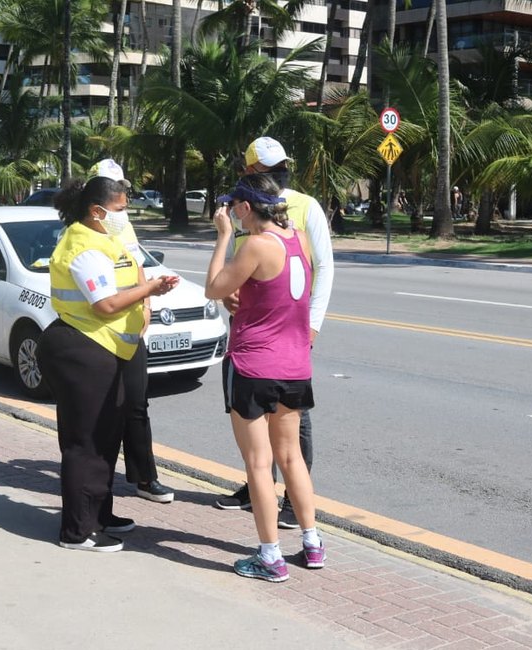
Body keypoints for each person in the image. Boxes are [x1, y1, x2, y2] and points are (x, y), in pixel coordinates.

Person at [37, 175, 179, 552]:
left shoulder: (105, 238)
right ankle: (78, 531)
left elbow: (128, 276)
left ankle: (100, 514)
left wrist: (146, 294)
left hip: (106, 348)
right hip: (81, 348)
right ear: (96, 211)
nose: (125, 214)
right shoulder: (84, 247)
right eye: (119, 209)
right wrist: (151, 289)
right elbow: (105, 304)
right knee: (86, 442)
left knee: (107, 437)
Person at [205, 173, 324, 581]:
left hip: (254, 365)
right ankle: (312, 544)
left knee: (259, 463)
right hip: (295, 366)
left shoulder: (254, 244)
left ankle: (270, 556)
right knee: (292, 458)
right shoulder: (299, 240)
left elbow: (214, 288)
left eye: (232, 209)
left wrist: (223, 237)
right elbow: (271, 292)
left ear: (243, 208)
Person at [91, 158, 175, 504]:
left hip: (129, 329)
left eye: (123, 187)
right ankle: (99, 482)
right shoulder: (83, 229)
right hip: (98, 333)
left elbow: (136, 264)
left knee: (137, 404)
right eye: (115, 187)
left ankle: (144, 477)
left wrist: (147, 306)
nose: (121, 194)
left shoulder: (122, 223)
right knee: (103, 410)